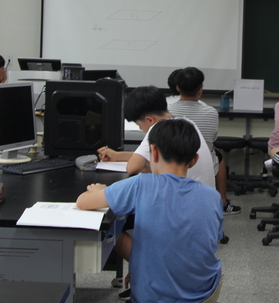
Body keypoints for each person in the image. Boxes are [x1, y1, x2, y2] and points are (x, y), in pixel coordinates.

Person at [77, 118, 223, 303]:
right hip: (205, 296)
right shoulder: (212, 196)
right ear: (194, 160)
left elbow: (83, 202)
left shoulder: (141, 184)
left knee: (113, 229)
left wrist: (101, 191)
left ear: (153, 152)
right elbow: (198, 242)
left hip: (153, 298)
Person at [97, 85, 215, 188]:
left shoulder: (157, 127)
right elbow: (152, 157)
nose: (140, 129)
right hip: (201, 197)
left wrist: (144, 166)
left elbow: (132, 168)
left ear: (149, 120)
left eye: (139, 124)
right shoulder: (185, 123)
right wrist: (117, 156)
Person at [168, 67, 240, 215]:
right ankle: (223, 202)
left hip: (171, 165)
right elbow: (211, 140)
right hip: (203, 166)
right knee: (217, 154)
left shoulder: (167, 111)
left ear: (177, 88)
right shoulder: (211, 112)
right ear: (200, 90)